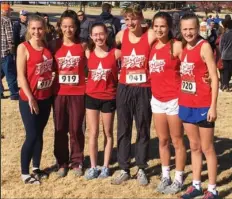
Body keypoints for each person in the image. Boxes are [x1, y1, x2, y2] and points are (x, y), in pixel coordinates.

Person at [111, 4, 156, 186]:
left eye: (133, 18)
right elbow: (110, 52)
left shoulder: (151, 34)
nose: (130, 22)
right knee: (123, 128)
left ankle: (142, 167)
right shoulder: (121, 36)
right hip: (124, 87)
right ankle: (123, 167)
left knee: (143, 127)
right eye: (127, 19)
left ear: (141, 18)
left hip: (144, 87)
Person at [178, 13, 219, 199]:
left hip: (203, 104)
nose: (188, 32)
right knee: (194, 147)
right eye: (185, 29)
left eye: (191, 29)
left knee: (207, 148)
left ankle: (212, 189)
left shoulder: (204, 47)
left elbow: (215, 77)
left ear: (198, 28)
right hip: (186, 104)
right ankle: (196, 185)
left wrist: (213, 106)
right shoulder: (183, 47)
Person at [149, 12, 186, 194]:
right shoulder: (152, 46)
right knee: (163, 140)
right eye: (156, 25)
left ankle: (178, 178)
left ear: (170, 27)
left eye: (162, 26)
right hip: (157, 100)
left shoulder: (177, 46)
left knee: (177, 140)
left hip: (174, 100)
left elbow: (194, 64)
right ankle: (166, 175)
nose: (159, 29)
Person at [17, 14, 54, 184]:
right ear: (29, 29)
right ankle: (25, 173)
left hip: (45, 97)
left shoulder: (47, 47)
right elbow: (21, 76)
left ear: (45, 29)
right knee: (31, 135)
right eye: (33, 28)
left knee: (39, 134)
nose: (37, 31)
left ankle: (36, 167)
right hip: (29, 99)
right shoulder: (23, 48)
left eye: (40, 28)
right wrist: (30, 97)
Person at [51, 10, 86, 178]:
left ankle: (77, 161)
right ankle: (62, 163)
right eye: (64, 26)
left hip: (78, 93)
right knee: (60, 128)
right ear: (60, 27)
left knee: (76, 128)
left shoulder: (83, 45)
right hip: (59, 93)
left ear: (76, 27)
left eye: (71, 26)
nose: (68, 30)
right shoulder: (54, 45)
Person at [84, 22, 121, 180]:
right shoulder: (88, 53)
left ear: (106, 35)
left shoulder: (116, 53)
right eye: (95, 34)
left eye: (101, 34)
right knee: (93, 133)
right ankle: (93, 166)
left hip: (109, 98)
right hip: (91, 97)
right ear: (91, 36)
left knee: (108, 133)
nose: (98, 37)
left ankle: (105, 166)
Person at [1, 4, 19, 100]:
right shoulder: (7, 20)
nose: (10, 12)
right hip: (5, 52)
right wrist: (12, 51)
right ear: (6, 11)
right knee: (10, 74)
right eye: (9, 11)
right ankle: (14, 94)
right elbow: (10, 38)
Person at [219, 19, 232, 91]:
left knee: (225, 71)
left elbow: (221, 46)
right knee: (230, 71)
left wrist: (221, 54)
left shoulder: (224, 35)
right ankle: (226, 84)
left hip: (225, 55)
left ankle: (225, 85)